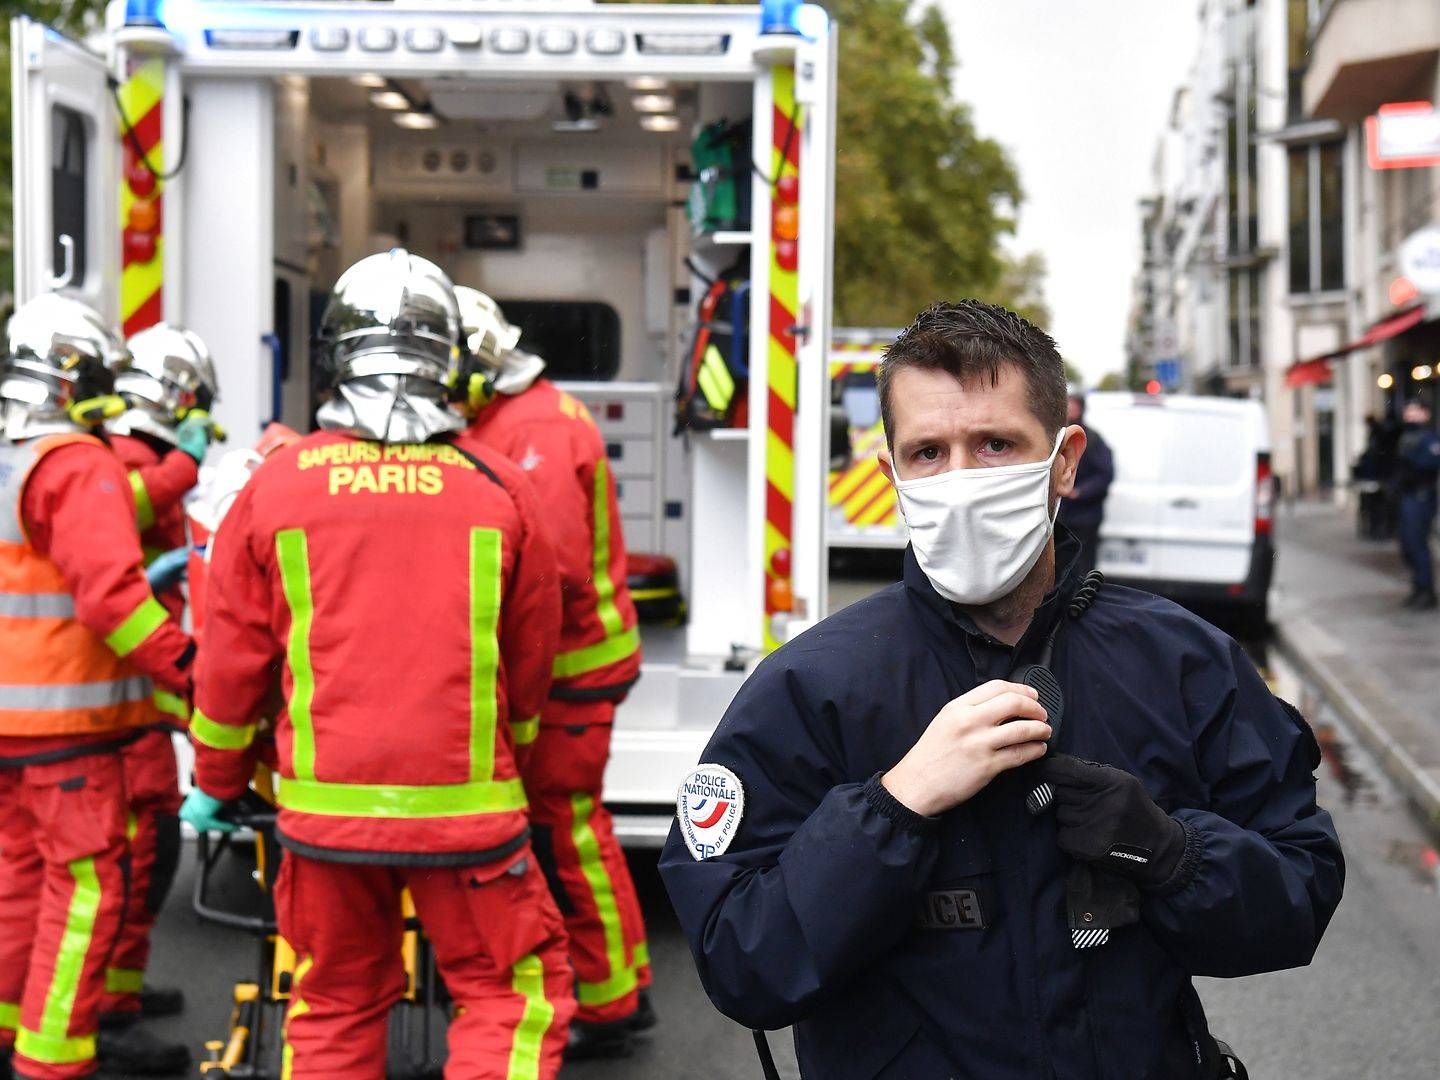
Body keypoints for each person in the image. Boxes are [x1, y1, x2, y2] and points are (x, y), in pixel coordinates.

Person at [659, 300, 1344, 1079]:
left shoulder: (1183, 665)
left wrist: (1172, 853)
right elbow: (741, 961)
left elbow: (1302, 895)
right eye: (927, 453)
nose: (960, 481)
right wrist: (892, 808)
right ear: (889, 474)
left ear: (1064, 459)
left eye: (994, 444)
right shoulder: (811, 688)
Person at [179, 251, 575, 1079]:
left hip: (322, 822)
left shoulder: (277, 487)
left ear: (335, 355)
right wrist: (519, 764)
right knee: (509, 999)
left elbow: (228, 664)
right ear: (452, 360)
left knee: (331, 1002)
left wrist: (217, 781)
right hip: (469, 816)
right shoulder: (498, 488)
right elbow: (532, 663)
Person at [0, 294, 196, 1080]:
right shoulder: (76, 463)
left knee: (17, 884)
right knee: (85, 892)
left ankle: (12, 1030)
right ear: (73, 377)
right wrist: (189, 669)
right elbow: (113, 598)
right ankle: (52, 1062)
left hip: (12, 723)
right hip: (70, 726)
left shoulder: (10, 453)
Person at [456, 288, 651, 1058]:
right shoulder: (524, 413)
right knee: (575, 827)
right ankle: (618, 982)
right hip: (580, 658)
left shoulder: (529, 427)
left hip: (572, 664)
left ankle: (607, 1003)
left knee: (566, 827)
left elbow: (553, 570)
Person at [93, 324, 220, 1070]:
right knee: (133, 858)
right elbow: (122, 510)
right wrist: (183, 465)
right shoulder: (117, 458)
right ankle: (106, 1017)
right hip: (115, 687)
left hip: (135, 687)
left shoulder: (133, 453)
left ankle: (119, 996)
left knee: (148, 848)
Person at [1057, 386, 1113, 576]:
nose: (1068, 409)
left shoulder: (1093, 440)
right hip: (1062, 514)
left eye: (1072, 405)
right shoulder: (1056, 436)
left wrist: (1079, 491)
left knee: (1083, 564)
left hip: (1084, 515)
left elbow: (1104, 474)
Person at [1396, 398, 1440, 610]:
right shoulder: (1407, 436)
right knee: (1407, 544)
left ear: (1425, 414)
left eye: (1415, 411)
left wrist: (1411, 462)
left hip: (1421, 496)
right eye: (1408, 411)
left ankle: (1426, 591)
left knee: (1417, 543)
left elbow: (1429, 464)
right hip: (1408, 496)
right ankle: (1418, 587)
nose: (1410, 415)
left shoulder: (1429, 438)